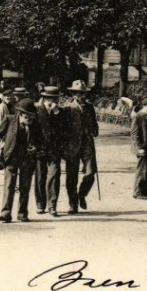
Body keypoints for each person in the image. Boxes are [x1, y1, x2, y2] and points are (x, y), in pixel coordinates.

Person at [0, 98, 45, 223]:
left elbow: (41, 141)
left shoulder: (35, 124)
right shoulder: (10, 120)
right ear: (21, 114)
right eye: (28, 116)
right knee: (9, 185)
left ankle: (22, 213)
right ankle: (5, 213)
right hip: (11, 157)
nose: (31, 119)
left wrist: (36, 148)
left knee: (25, 186)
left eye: (32, 116)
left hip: (28, 159)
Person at [68, 80, 99, 211]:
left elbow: (95, 125)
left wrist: (93, 131)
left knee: (91, 173)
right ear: (73, 94)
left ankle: (82, 194)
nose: (80, 96)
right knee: (71, 176)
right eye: (77, 93)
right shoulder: (67, 107)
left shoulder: (89, 106)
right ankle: (73, 204)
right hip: (72, 145)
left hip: (87, 144)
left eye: (82, 93)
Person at [35, 86, 65, 217]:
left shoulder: (61, 113)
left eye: (54, 99)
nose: (50, 101)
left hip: (54, 149)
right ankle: (40, 204)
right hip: (40, 149)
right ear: (43, 98)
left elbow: (64, 130)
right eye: (48, 98)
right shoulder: (37, 110)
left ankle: (52, 205)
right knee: (40, 176)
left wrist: (56, 113)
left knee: (54, 175)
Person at [132, 98, 147, 199]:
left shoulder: (146, 116)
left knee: (146, 170)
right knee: (141, 170)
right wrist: (139, 147)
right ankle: (138, 192)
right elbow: (134, 134)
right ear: (146, 106)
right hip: (142, 148)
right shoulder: (138, 116)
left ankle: (144, 192)